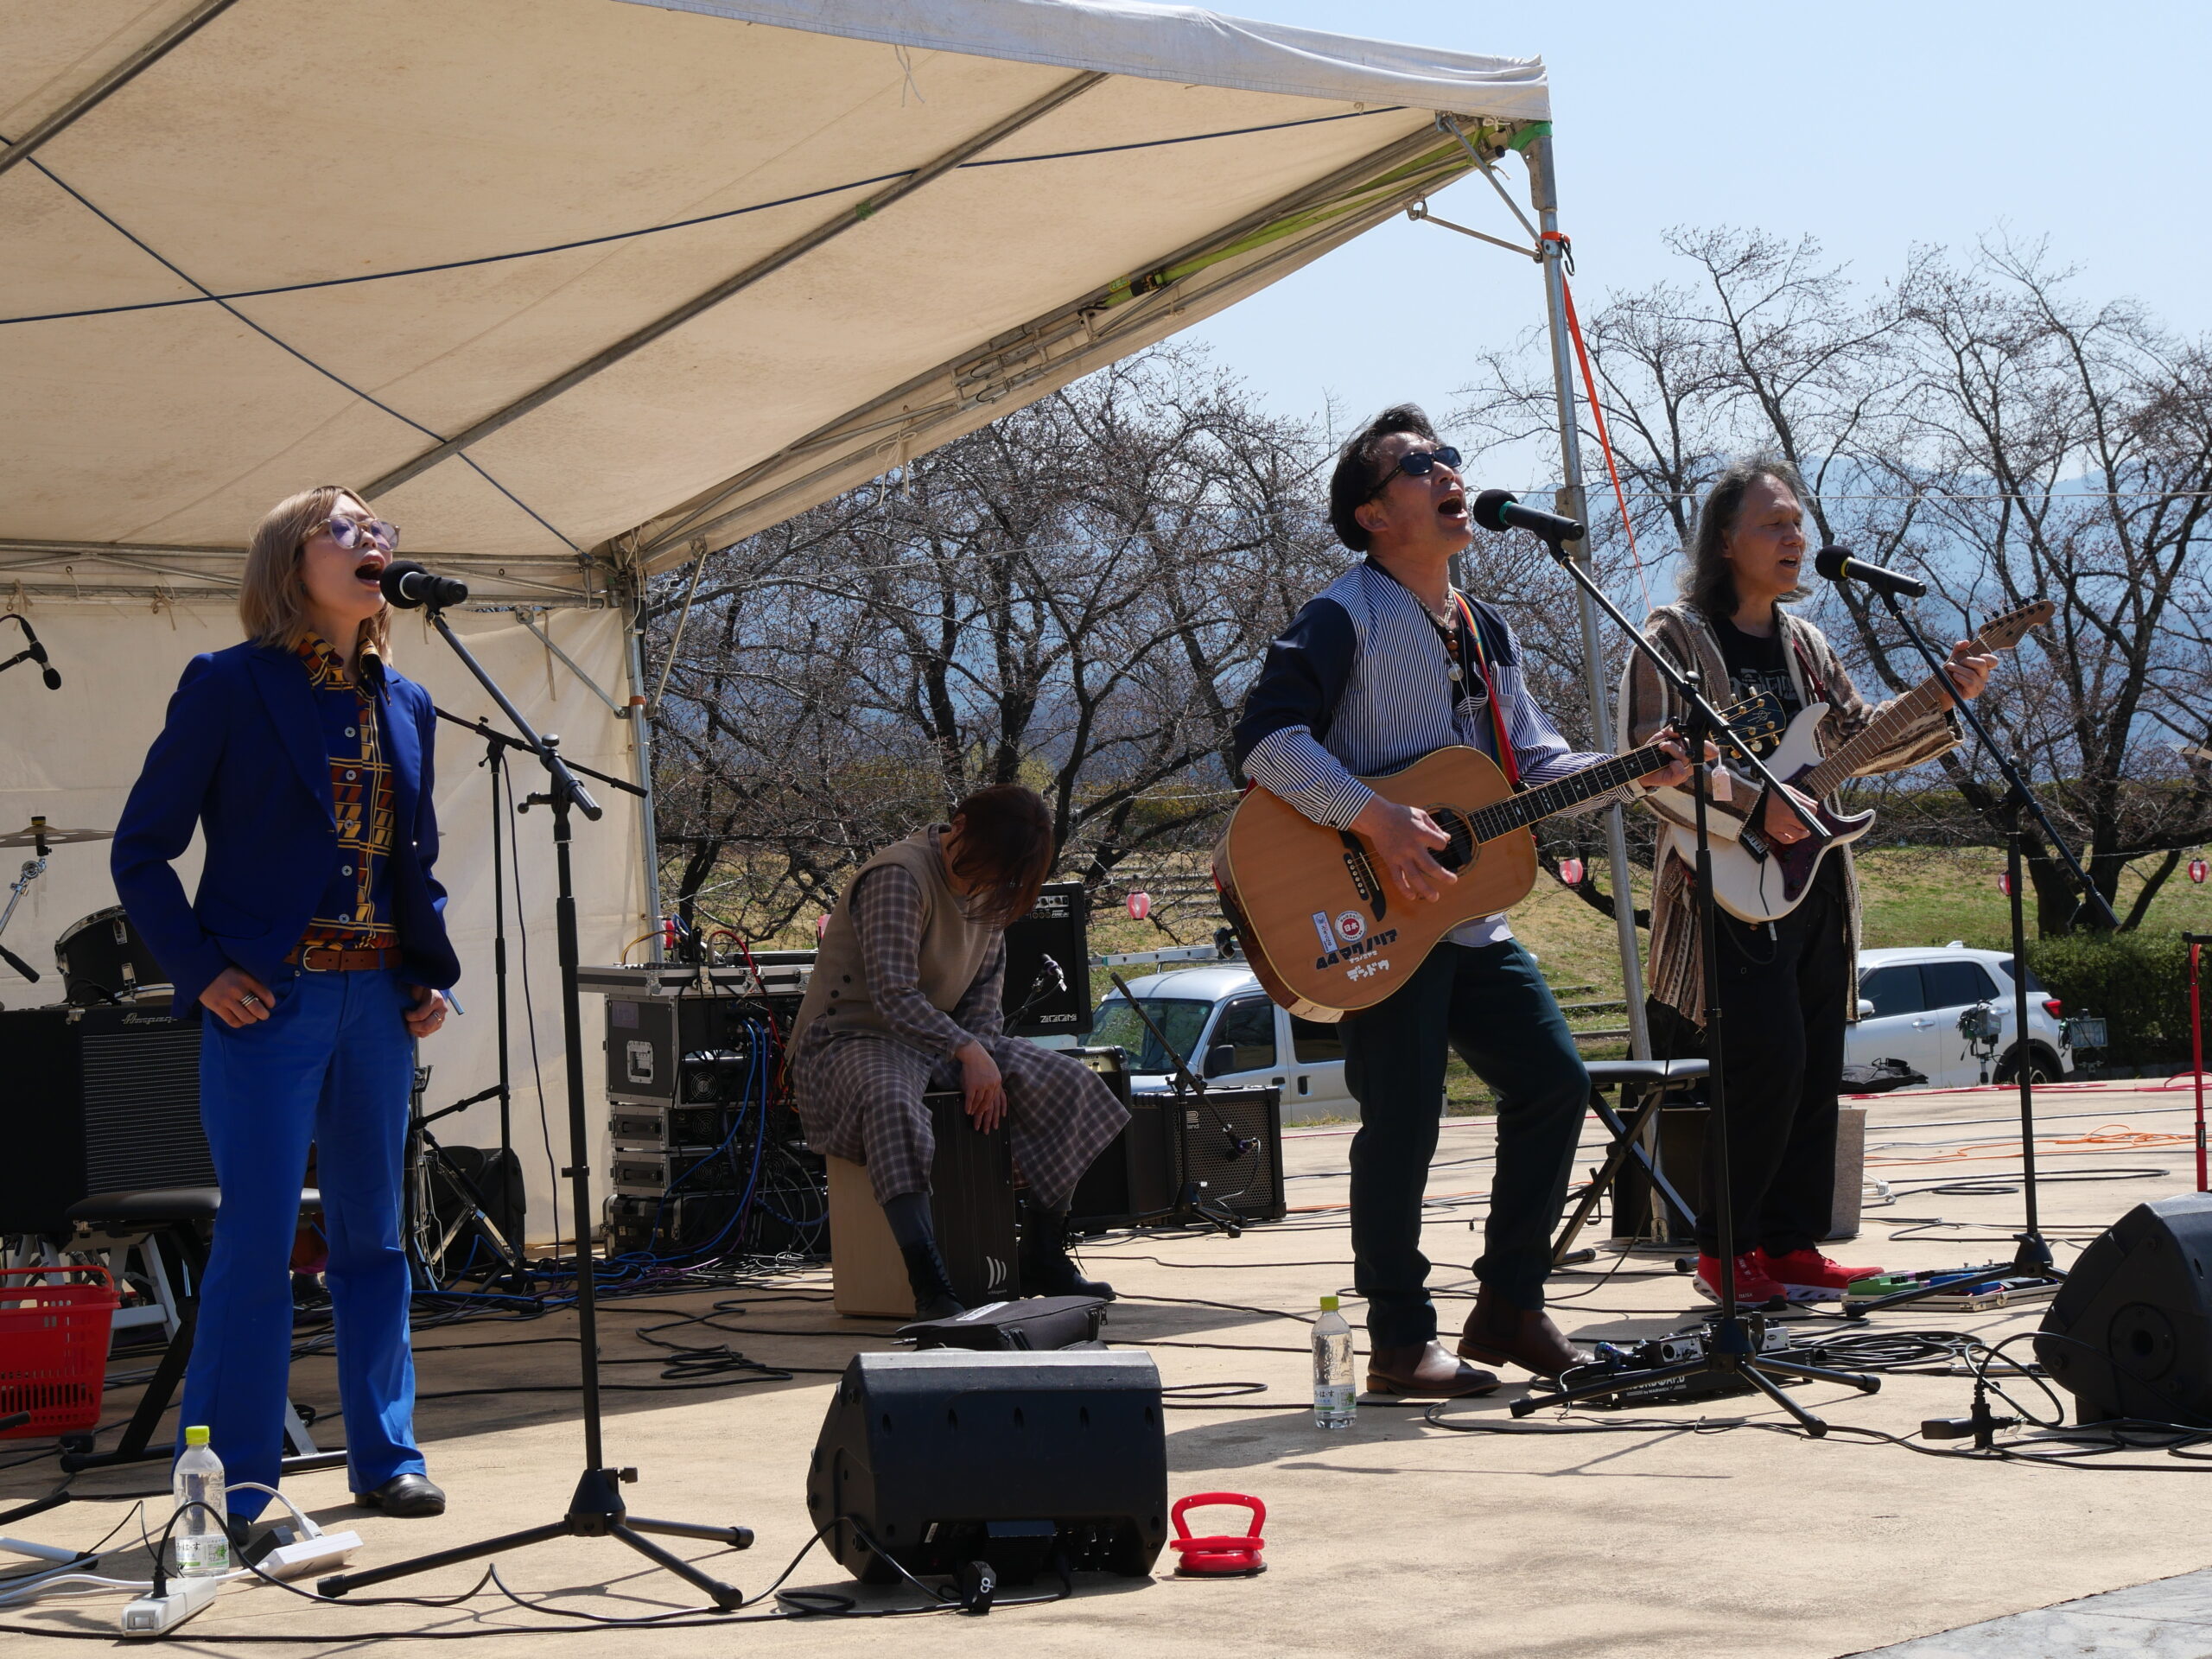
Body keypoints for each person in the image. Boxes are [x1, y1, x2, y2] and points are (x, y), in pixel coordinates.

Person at [1230, 405, 1695, 1395]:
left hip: (1465, 914)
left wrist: (1633, 770)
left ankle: (1510, 1305)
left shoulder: (1487, 628)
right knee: (1404, 1119)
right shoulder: (1340, 615)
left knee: (1554, 1083)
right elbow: (1265, 742)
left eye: (1449, 457)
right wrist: (1375, 819)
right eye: (1419, 465)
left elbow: (1533, 766)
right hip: (1367, 909)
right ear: (1371, 514)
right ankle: (1399, 1343)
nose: (1448, 471)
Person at [112, 486, 460, 1529]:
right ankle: (234, 1482)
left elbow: (413, 865)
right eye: (345, 528)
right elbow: (141, 851)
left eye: (379, 528)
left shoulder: (408, 701)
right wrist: (199, 970)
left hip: (379, 1000)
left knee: (375, 1241)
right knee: (258, 1242)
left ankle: (387, 1456)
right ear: (289, 560)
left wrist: (427, 971)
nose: (373, 539)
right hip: (272, 1002)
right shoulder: (229, 683)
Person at [1621, 457, 1993, 1303]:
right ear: (1726, 541)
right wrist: (1757, 805)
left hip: (1814, 877)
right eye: (1774, 524)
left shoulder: (1806, 644)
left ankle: (1790, 1245)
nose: (1795, 537)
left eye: (1797, 522)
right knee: (1767, 1064)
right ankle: (1724, 1253)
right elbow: (1648, 762)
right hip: (1724, 882)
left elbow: (1857, 740)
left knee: (1817, 1061)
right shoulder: (1674, 638)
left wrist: (1939, 697)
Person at [791, 785, 1129, 1318]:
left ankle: (1042, 1251)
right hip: (850, 1037)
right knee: (891, 1102)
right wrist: (967, 1050)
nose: (987, 882)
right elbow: (892, 995)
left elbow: (983, 1000)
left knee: (1073, 1083)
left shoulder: (992, 886)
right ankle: (928, 1281)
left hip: (938, 1039)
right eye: (986, 867)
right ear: (961, 825)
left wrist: (982, 1056)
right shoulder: (898, 876)